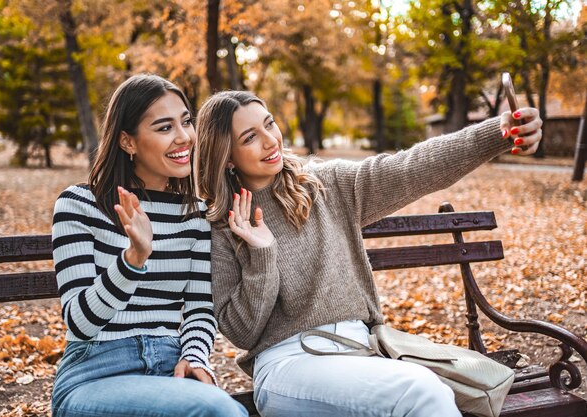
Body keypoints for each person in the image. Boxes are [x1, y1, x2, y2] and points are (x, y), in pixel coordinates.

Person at [195, 90, 543, 417]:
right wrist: (262, 255)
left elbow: (411, 169)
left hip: (365, 349)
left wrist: (496, 133)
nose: (270, 140)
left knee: (418, 392)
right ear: (226, 157)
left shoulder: (324, 185)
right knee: (421, 391)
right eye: (249, 137)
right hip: (288, 365)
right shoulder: (221, 226)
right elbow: (242, 332)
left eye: (269, 123)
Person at [50, 74, 248, 417]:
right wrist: (132, 259)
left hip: (170, 368)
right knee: (220, 412)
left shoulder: (194, 214)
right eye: (164, 127)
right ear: (128, 142)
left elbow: (200, 308)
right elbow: (80, 322)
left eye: (186, 122)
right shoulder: (79, 204)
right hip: (94, 373)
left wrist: (194, 355)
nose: (184, 136)